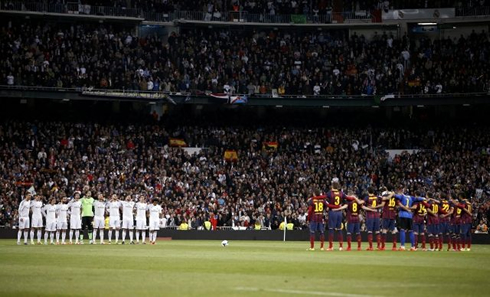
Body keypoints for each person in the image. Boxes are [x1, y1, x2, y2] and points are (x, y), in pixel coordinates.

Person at [393, 186, 426, 251]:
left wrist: (394, 194)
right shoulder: (411, 197)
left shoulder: (402, 196)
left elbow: (395, 196)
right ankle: (413, 247)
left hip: (403, 214)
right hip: (410, 216)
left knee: (402, 230)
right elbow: (422, 199)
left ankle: (402, 246)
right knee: (411, 231)